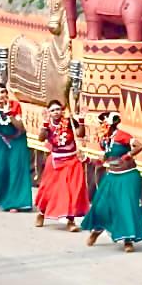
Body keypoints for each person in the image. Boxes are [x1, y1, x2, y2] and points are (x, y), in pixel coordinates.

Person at [81, 112, 142, 252]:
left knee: (125, 207)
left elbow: (139, 146)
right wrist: (86, 159)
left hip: (128, 177)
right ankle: (97, 230)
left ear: (111, 123)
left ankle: (128, 240)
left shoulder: (122, 136)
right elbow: (103, 160)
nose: (101, 125)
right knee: (101, 206)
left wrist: (126, 156)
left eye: (103, 123)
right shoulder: (104, 139)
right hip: (112, 176)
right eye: (100, 123)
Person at [35, 99, 88, 231]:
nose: (56, 112)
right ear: (49, 112)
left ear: (62, 111)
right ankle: (41, 213)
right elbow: (41, 138)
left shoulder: (69, 122)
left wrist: (81, 120)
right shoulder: (48, 124)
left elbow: (80, 134)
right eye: (53, 110)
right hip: (56, 162)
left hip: (72, 161)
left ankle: (71, 221)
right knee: (49, 190)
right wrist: (45, 124)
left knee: (73, 190)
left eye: (58, 109)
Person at [0, 83, 33, 212]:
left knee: (16, 170)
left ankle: (14, 203)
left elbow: (21, 127)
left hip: (17, 141)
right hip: (0, 140)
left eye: (3, 92)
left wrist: (9, 114)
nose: (1, 95)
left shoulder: (15, 106)